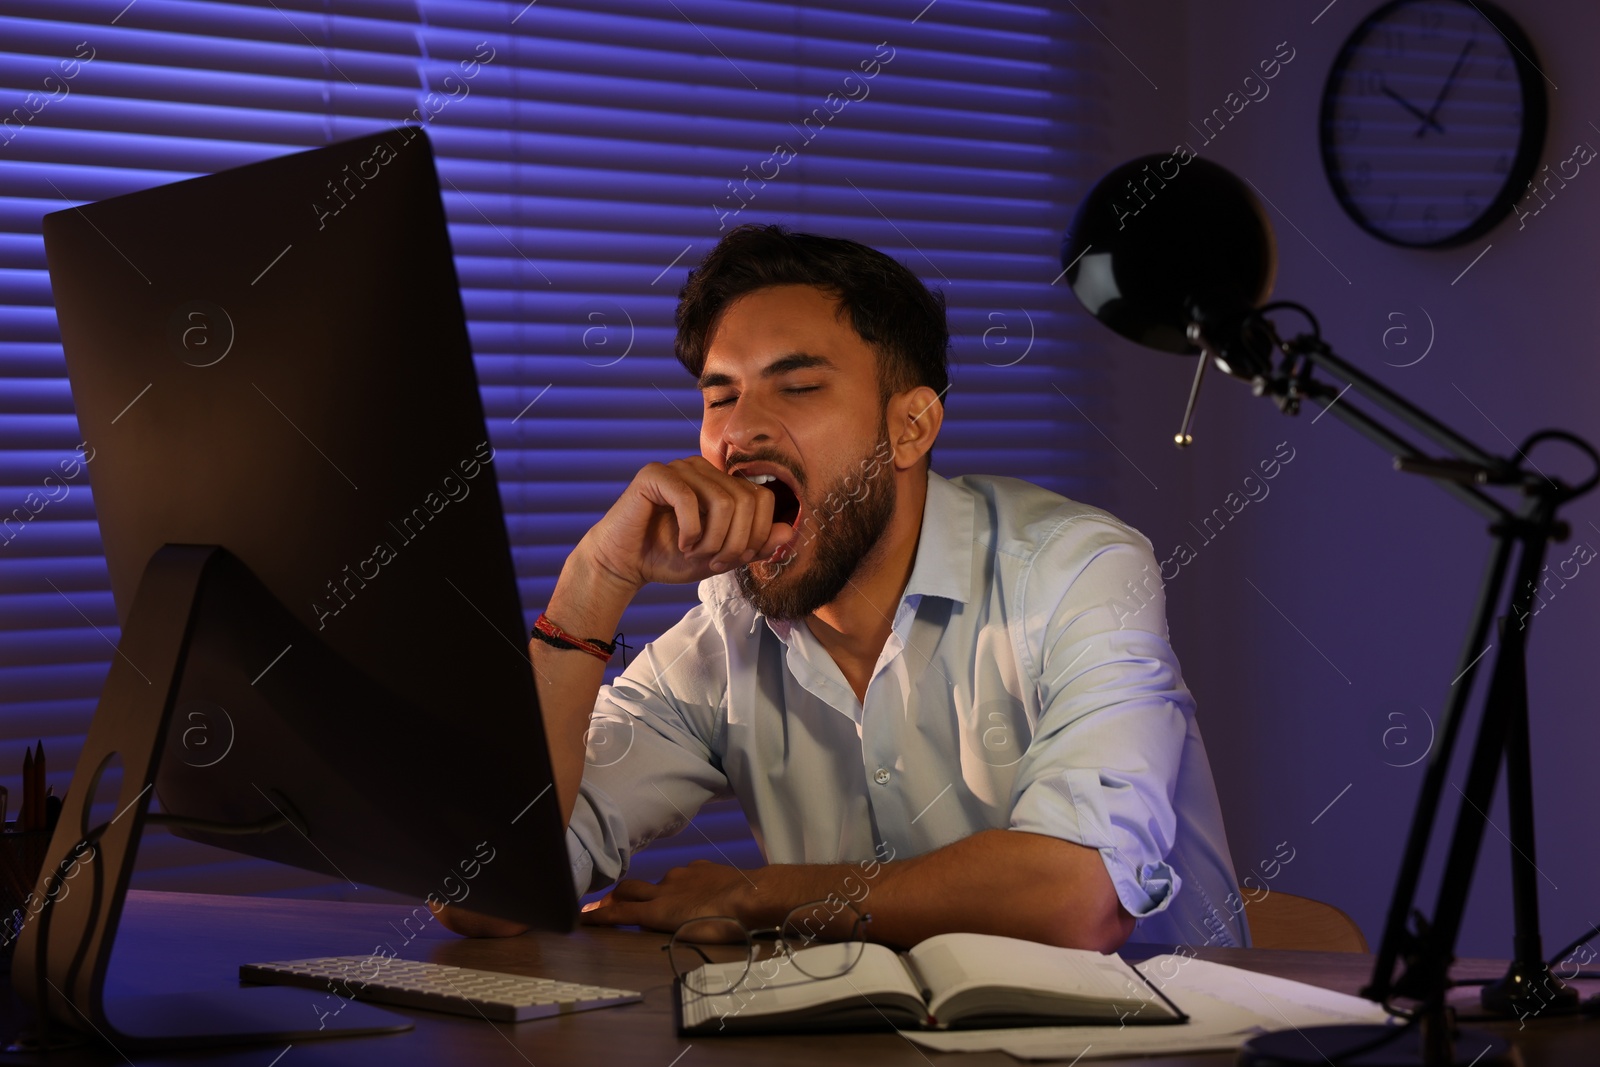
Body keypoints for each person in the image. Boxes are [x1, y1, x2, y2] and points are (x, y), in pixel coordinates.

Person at [438, 224, 1246, 951]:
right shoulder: (724, 637)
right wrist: (594, 581)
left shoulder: (1079, 571)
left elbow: (1074, 900)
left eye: (797, 386)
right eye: (719, 395)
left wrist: (759, 895)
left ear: (912, 426)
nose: (739, 430)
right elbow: (482, 892)